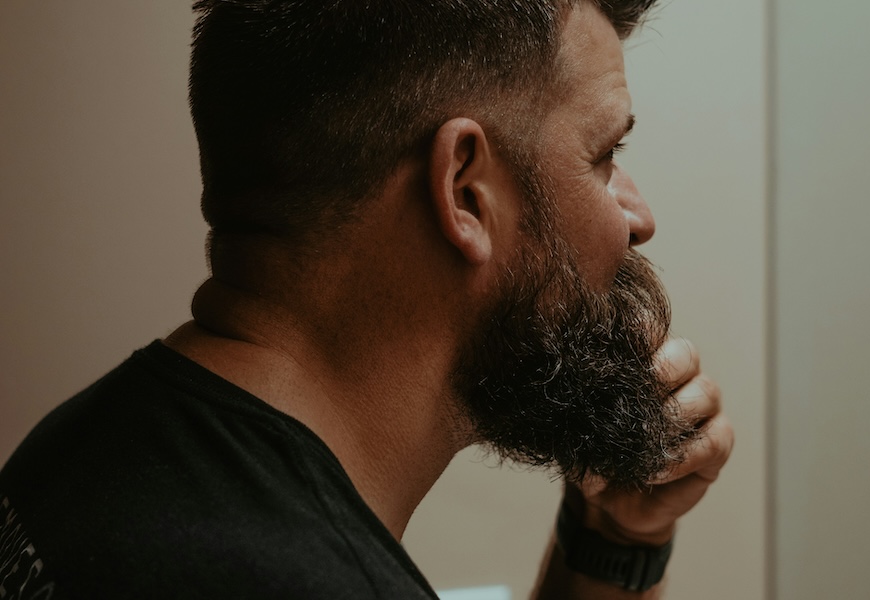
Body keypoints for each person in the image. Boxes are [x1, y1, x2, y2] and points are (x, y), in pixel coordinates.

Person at [0, 0, 734, 598]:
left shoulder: (79, 448)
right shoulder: (298, 581)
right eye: (604, 155)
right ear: (465, 192)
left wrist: (614, 540)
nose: (638, 218)